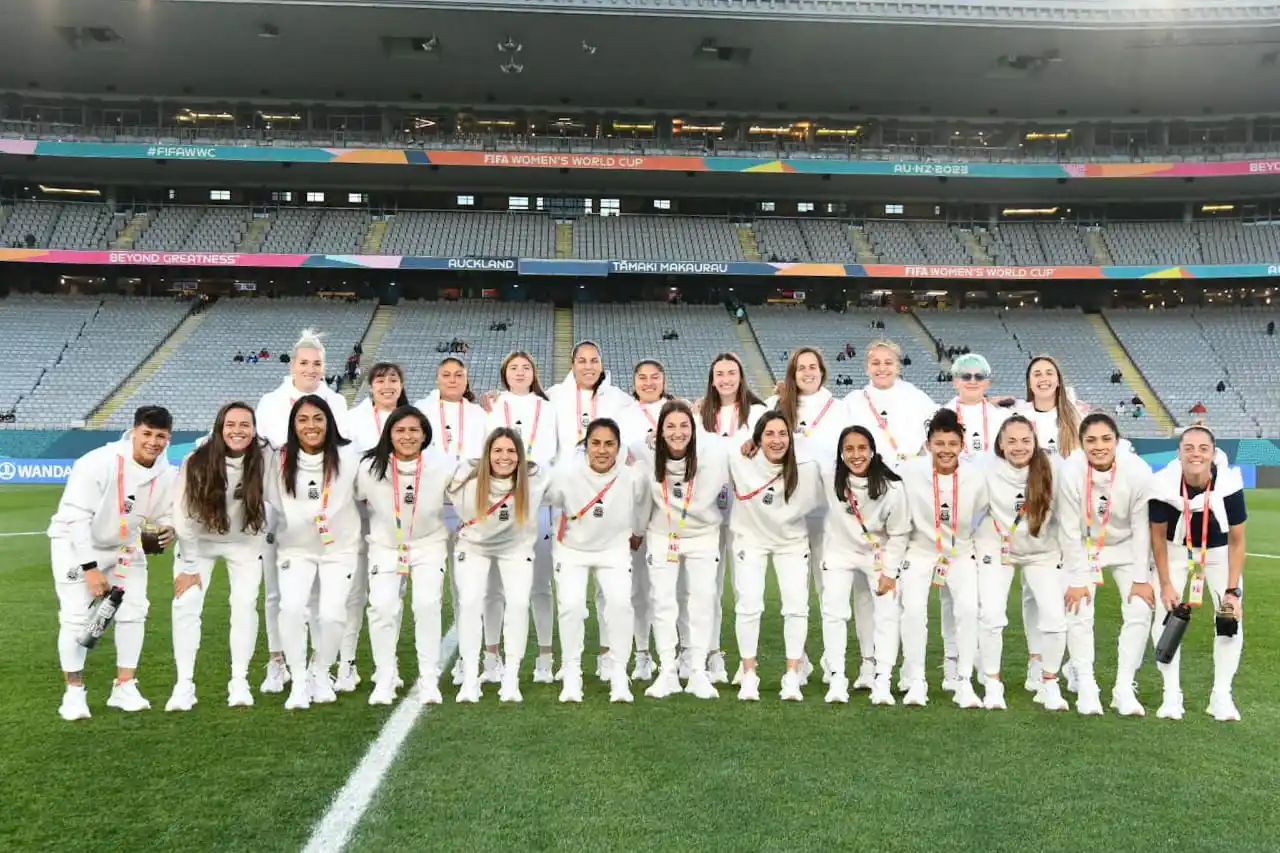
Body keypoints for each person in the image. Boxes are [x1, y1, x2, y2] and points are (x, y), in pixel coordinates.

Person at [48, 406, 177, 720]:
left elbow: (164, 516)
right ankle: (74, 693)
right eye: (147, 434)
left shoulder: (167, 473)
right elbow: (76, 517)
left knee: (134, 612)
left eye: (160, 436)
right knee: (78, 618)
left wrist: (167, 529)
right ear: (133, 432)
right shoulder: (97, 462)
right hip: (76, 544)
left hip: (124, 547)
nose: (153, 442)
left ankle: (124, 685)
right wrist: (90, 568)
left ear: (168, 439)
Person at [254, 329, 349, 695]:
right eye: (305, 363)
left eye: (318, 364)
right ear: (293, 365)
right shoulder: (271, 402)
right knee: (278, 593)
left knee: (320, 594)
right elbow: (264, 453)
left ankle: (315, 664)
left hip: (324, 509)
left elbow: (342, 451)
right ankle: (277, 660)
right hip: (279, 508)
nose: (311, 369)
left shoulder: (336, 403)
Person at [167, 402, 269, 712]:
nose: (237, 430)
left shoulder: (265, 458)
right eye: (231, 424)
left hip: (246, 543)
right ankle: (184, 684)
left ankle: (239, 680)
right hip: (199, 542)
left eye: (245, 425)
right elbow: (182, 515)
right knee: (186, 604)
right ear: (219, 428)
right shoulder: (196, 460)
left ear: (253, 430)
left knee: (243, 606)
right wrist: (188, 565)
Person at [265, 395, 360, 711]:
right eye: (303, 419)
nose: (311, 425)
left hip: (339, 549)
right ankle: (299, 678)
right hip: (295, 549)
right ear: (293, 425)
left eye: (318, 418)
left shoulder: (349, 458)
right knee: (292, 608)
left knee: (332, 614)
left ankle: (321, 672)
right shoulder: (277, 460)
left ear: (329, 422)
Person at [546, 418, 650, 704]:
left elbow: (643, 504)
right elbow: (541, 495)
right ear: (585, 446)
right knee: (571, 606)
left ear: (619, 447)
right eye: (595, 443)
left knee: (619, 605)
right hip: (572, 550)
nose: (602, 450)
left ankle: (618, 675)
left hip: (613, 550)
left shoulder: (632, 477)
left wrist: (637, 532)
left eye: (609, 444)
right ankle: (572, 674)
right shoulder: (566, 474)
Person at [1057, 413, 1154, 715]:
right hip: (1086, 547)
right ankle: (1086, 682)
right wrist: (1075, 579)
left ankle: (1124, 687)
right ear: (1081, 443)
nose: (1099, 446)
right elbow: (1069, 529)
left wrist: (1141, 577)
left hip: (1126, 545)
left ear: (1117, 440)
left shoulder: (1137, 470)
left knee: (1140, 608)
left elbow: (1142, 527)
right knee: (1079, 607)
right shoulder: (1070, 470)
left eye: (1106, 439)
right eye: (1091, 440)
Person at [356, 405, 453, 706]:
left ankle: (428, 679)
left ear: (425, 433)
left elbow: (467, 497)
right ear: (389, 434)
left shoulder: (444, 465)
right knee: (383, 607)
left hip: (428, 543)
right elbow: (353, 499)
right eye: (400, 430)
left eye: (414, 430)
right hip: (386, 545)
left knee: (426, 606)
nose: (407, 436)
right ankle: (385, 677)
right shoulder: (370, 467)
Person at [1147, 426, 1245, 722]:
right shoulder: (1162, 483)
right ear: (1179, 452)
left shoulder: (1228, 483)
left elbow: (1238, 541)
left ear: (1213, 453)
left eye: (1203, 448)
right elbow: (1157, 538)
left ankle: (1221, 695)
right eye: (1189, 447)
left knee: (1230, 619)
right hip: (1176, 553)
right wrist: (1164, 583)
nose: (1196, 454)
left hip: (1217, 555)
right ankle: (1170, 693)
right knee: (1165, 620)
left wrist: (1233, 592)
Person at [977, 415, 1073, 713]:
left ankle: (1049, 681)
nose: (1019, 447)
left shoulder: (1053, 469)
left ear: (1035, 442)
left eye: (1025, 440)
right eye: (1012, 441)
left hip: (1042, 551)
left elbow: (1067, 518)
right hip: (999, 548)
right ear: (1001, 444)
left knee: (1055, 621)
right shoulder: (984, 468)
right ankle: (993, 682)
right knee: (992, 615)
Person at [898, 408, 990, 709]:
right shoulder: (909, 472)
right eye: (939, 443)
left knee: (966, 610)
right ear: (928, 444)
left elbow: (984, 512)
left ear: (962, 445)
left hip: (959, 553)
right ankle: (916, 681)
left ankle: (963, 681)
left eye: (952, 444)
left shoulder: (975, 478)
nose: (946, 450)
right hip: (921, 551)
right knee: (912, 611)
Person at [450, 428, 550, 703]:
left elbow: (565, 478)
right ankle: (470, 677)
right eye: (497, 450)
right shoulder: (465, 481)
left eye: (510, 451)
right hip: (473, 547)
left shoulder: (535, 480)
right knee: (469, 602)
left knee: (518, 603)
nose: (504, 457)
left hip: (516, 548)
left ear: (520, 456)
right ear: (487, 454)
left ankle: (511, 677)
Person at [638, 400, 730, 699]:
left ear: (694, 430)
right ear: (659, 431)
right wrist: (645, 439)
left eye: (684, 426)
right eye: (670, 426)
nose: (678, 433)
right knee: (663, 603)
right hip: (662, 536)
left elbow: (734, 450)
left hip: (702, 535)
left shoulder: (711, 457)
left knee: (702, 602)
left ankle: (698, 671)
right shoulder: (647, 454)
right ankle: (667, 671)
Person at [729, 411, 823, 702]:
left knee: (796, 606)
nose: (777, 440)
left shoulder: (806, 469)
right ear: (757, 438)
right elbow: (708, 446)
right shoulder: (740, 460)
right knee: (748, 605)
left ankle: (792, 674)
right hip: (750, 539)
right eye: (769, 434)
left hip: (792, 542)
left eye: (783, 433)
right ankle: (749, 673)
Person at [766, 346, 846, 682]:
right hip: (791, 510)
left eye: (813, 367)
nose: (808, 373)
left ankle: (832, 659)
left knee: (829, 586)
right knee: (794, 590)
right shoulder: (777, 406)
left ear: (822, 370)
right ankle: (799, 660)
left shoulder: (841, 408)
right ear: (792, 373)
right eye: (801, 368)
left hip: (830, 510)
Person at [819, 426, 910, 706]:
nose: (856, 455)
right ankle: (837, 678)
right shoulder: (828, 477)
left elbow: (900, 532)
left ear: (872, 451)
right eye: (849, 449)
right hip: (840, 551)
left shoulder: (891, 487)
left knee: (885, 614)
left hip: (878, 555)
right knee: (834, 612)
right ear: (841, 453)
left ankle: (881, 679)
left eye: (862, 448)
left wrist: (890, 573)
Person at [483, 352, 559, 685]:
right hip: (498, 503)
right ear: (504, 373)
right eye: (513, 367)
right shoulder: (492, 406)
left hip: (537, 501)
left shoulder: (549, 406)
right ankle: (491, 657)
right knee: (494, 585)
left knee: (540, 583)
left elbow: (552, 452)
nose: (519, 372)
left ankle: (545, 658)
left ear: (534, 373)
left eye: (526, 367)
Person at [694, 352, 767, 685]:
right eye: (719, 373)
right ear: (711, 378)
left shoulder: (760, 413)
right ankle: (711, 655)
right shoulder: (698, 415)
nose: (725, 379)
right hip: (706, 510)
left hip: (746, 511)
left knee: (744, 587)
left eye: (731, 372)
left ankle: (745, 660)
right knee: (708, 587)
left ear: (741, 377)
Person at [338, 362, 411, 693]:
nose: (387, 385)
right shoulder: (352, 420)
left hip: (395, 523)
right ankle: (346, 663)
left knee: (392, 595)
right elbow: (343, 467)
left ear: (401, 385)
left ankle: (389, 663)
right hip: (356, 517)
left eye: (393, 380)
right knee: (353, 594)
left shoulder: (410, 420)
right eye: (380, 380)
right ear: (370, 386)